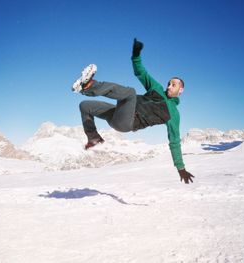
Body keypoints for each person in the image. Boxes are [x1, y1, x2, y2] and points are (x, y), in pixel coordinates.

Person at [72, 38, 194, 184]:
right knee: (85, 106)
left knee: (130, 93)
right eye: (168, 83)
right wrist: (136, 55)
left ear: (181, 90)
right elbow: (141, 73)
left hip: (128, 123)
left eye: (173, 85)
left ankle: (89, 85)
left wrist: (180, 168)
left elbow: (174, 142)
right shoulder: (156, 89)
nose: (168, 86)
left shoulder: (174, 114)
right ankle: (93, 137)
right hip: (117, 113)